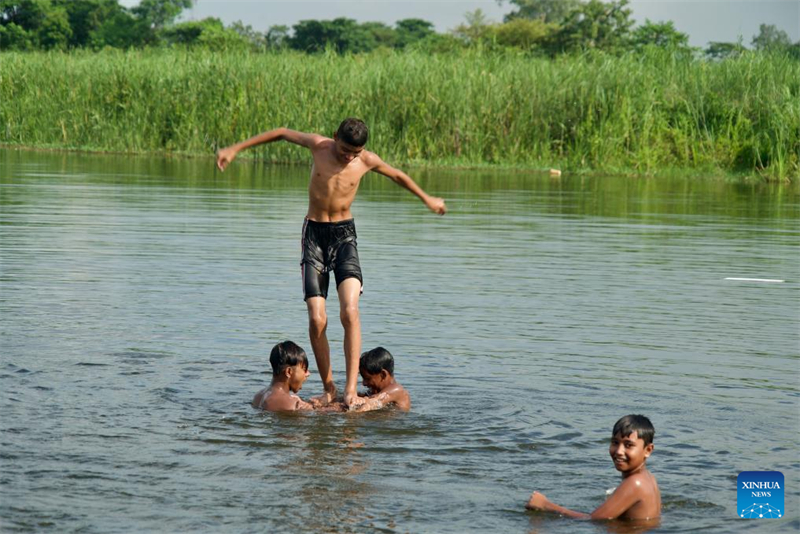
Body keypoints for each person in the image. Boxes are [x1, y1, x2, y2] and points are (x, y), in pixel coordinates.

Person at [217, 119, 446, 408]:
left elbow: (398, 175)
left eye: (355, 152)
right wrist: (234, 149)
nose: (349, 157)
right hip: (314, 236)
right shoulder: (318, 145)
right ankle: (328, 387)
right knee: (317, 318)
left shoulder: (366, 160)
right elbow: (281, 133)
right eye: (345, 150)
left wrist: (427, 199)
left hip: (344, 237)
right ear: (336, 137)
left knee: (350, 311)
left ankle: (350, 389)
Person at [526, 414, 661, 521]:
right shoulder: (648, 477)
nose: (619, 451)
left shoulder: (635, 483)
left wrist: (546, 505)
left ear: (648, 450)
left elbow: (593, 520)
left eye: (628, 445)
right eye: (615, 442)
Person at [252, 340, 314, 412]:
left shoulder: (257, 396)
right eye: (304, 369)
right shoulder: (293, 404)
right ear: (289, 372)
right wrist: (311, 408)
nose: (308, 373)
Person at [353, 347, 410, 412]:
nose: (364, 383)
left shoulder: (397, 390)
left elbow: (371, 403)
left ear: (383, 374)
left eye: (367, 378)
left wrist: (350, 414)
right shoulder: (375, 391)